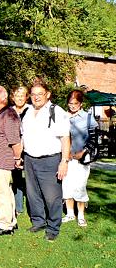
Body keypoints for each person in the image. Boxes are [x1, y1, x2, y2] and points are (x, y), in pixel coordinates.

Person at [22, 78, 70, 241]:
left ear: (48, 94)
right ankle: (38, 221)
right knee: (33, 194)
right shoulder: (28, 112)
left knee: (52, 196)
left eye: (40, 94)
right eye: (33, 94)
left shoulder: (57, 112)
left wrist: (64, 161)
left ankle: (53, 227)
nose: (36, 97)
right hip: (29, 159)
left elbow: (65, 138)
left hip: (50, 160)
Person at [0, 86, 22, 236]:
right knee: (5, 192)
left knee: (1, 193)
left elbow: (15, 141)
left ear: (3, 97)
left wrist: (17, 158)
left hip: (2, 160)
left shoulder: (9, 115)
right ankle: (10, 221)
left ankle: (5, 225)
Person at [62, 90, 98, 227]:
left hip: (82, 157)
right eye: (70, 103)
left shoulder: (88, 117)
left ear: (81, 103)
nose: (72, 106)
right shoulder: (63, 116)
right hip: (66, 157)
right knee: (67, 185)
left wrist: (83, 152)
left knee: (80, 185)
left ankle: (81, 215)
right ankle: (70, 213)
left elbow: (94, 139)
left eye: (75, 104)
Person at [11, 86, 31, 216]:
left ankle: (32, 205)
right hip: (13, 148)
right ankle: (17, 206)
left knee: (30, 179)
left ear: (26, 97)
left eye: (22, 95)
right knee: (15, 178)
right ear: (13, 97)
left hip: (28, 148)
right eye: (17, 95)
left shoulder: (31, 110)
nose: (19, 98)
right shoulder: (9, 111)